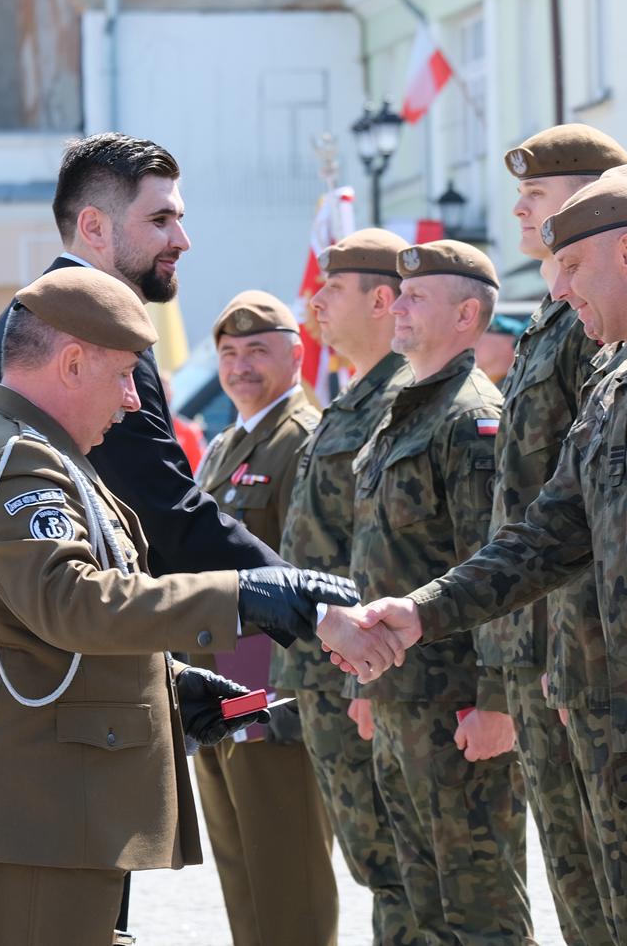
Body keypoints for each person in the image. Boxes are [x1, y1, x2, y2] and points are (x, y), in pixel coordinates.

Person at [0, 266, 393, 946]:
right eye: (126, 375)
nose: (133, 400)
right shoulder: (17, 459)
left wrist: (168, 686)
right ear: (72, 363)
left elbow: (27, 633)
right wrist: (241, 593)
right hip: (28, 811)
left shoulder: (34, 450)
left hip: (32, 808)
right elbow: (71, 602)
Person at [339, 178, 627, 946]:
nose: (558, 288)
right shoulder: (609, 383)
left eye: (573, 266)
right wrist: (421, 611)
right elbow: (545, 534)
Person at [0, 133, 283, 578]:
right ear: (93, 227)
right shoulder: (99, 334)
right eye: (160, 220)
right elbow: (165, 512)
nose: (182, 240)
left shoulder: (18, 320)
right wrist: (306, 595)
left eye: (179, 219)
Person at [347, 239, 532, 945]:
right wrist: (366, 681)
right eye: (399, 293)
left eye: (417, 296)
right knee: (422, 905)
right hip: (400, 692)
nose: (398, 305)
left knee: (480, 909)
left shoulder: (472, 418)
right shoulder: (404, 410)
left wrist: (497, 699)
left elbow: (498, 565)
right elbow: (377, 559)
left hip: (455, 703)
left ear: (466, 316)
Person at [484, 125, 623, 946]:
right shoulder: (551, 319)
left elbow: (592, 508)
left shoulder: (586, 323)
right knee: (574, 876)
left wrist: (566, 648)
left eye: (535, 194)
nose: (519, 209)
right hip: (538, 643)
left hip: (578, 643)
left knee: (612, 884)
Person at [278, 229, 420, 945]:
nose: (316, 301)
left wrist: (370, 679)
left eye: (333, 289)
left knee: (400, 864)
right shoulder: (351, 398)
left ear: (383, 300)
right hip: (326, 667)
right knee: (375, 861)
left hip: (364, 668)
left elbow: (392, 552)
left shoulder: (399, 398)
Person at [191, 290, 337, 946]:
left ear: (296, 353)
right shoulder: (227, 443)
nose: (240, 366)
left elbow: (315, 572)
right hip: (220, 688)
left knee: (287, 877)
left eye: (256, 350)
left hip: (273, 693)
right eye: (228, 353)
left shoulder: (304, 439)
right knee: (243, 874)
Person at [474, 314, 525, 385]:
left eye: (479, 342)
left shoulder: (521, 384)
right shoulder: (476, 383)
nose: (472, 346)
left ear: (508, 345)